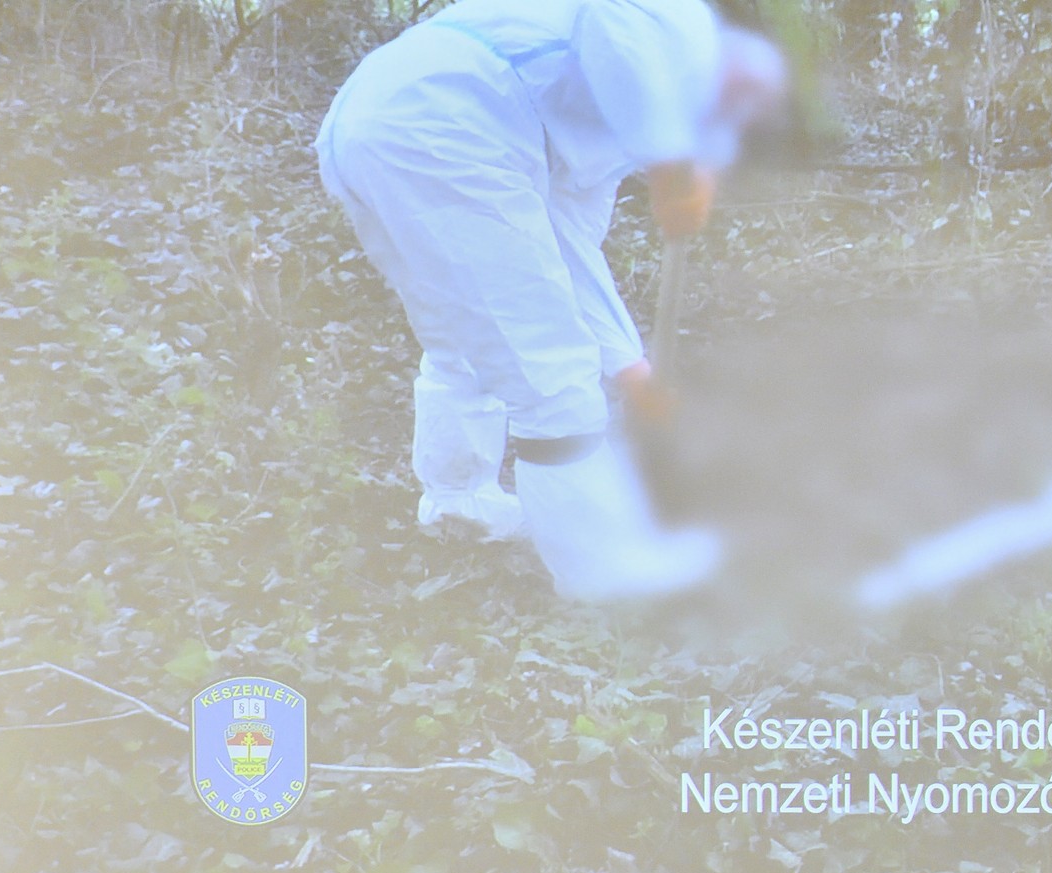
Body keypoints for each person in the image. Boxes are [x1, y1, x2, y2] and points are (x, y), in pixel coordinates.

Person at [316, 0, 783, 600]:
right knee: (553, 380)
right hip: (445, 122)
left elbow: (565, 257)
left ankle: (463, 504)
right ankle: (604, 580)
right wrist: (672, 169)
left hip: (381, 121)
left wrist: (631, 371)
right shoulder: (676, 27)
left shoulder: (605, 140)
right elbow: (613, 20)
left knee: (470, 336)